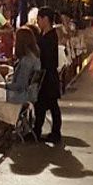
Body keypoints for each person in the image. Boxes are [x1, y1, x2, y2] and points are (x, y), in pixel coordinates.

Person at [0, 26, 43, 134]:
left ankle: (0, 125)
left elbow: (19, 86)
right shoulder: (34, 57)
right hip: (29, 94)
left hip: (22, 95)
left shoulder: (26, 61)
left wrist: (3, 86)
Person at [33, 8, 64, 145]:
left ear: (45, 19)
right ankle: (37, 131)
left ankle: (54, 132)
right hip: (46, 74)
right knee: (43, 105)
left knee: (51, 105)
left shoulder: (50, 36)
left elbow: (48, 58)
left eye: (39, 19)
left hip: (48, 75)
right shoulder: (44, 34)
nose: (38, 22)